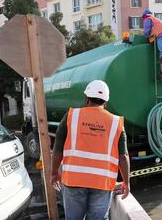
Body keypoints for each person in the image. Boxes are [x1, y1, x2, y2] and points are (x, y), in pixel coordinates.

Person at [51, 80, 130, 220]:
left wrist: (54, 173)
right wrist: (126, 182)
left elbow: (58, 149)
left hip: (74, 180)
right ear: (105, 102)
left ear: (87, 99)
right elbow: (123, 156)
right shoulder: (116, 123)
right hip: (102, 182)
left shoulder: (71, 116)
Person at [142, 9, 162, 82]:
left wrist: (146, 37)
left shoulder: (148, 18)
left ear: (144, 16)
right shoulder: (156, 19)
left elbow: (147, 30)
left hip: (161, 35)